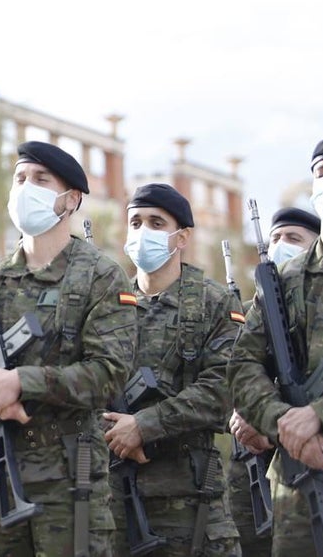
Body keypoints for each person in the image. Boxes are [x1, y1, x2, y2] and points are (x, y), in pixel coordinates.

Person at [0, 141, 137, 557]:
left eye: (41, 180)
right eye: (20, 179)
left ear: (71, 199)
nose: (26, 188)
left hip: (68, 479)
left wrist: (22, 382)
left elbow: (109, 372)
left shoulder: (101, 276)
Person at [102, 183, 242, 555]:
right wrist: (115, 432)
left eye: (155, 222)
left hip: (189, 501)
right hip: (113, 496)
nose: (142, 232)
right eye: (135, 222)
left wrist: (144, 426)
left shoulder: (214, 302)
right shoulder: (109, 304)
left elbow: (225, 388)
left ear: (181, 237)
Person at [229, 137, 323, 556]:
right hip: (298, 484)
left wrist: (320, 415)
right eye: (321, 172)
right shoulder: (284, 280)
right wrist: (282, 420)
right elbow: (243, 364)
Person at [227, 206, 320, 557]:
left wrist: (268, 420)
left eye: (293, 239)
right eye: (275, 238)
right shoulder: (252, 310)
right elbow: (230, 373)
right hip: (251, 475)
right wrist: (241, 412)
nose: (280, 245)